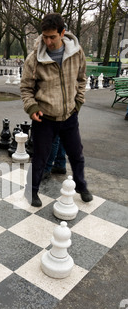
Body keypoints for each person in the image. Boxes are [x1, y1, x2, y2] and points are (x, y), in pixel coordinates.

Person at [20, 13, 92, 207]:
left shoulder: (77, 53)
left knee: (77, 155)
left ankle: (81, 186)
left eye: (52, 36)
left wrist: (78, 103)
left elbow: (82, 79)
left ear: (63, 33)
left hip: (69, 116)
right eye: (45, 36)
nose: (48, 41)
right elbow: (26, 88)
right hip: (44, 118)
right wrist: (32, 107)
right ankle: (32, 191)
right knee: (40, 158)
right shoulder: (34, 58)